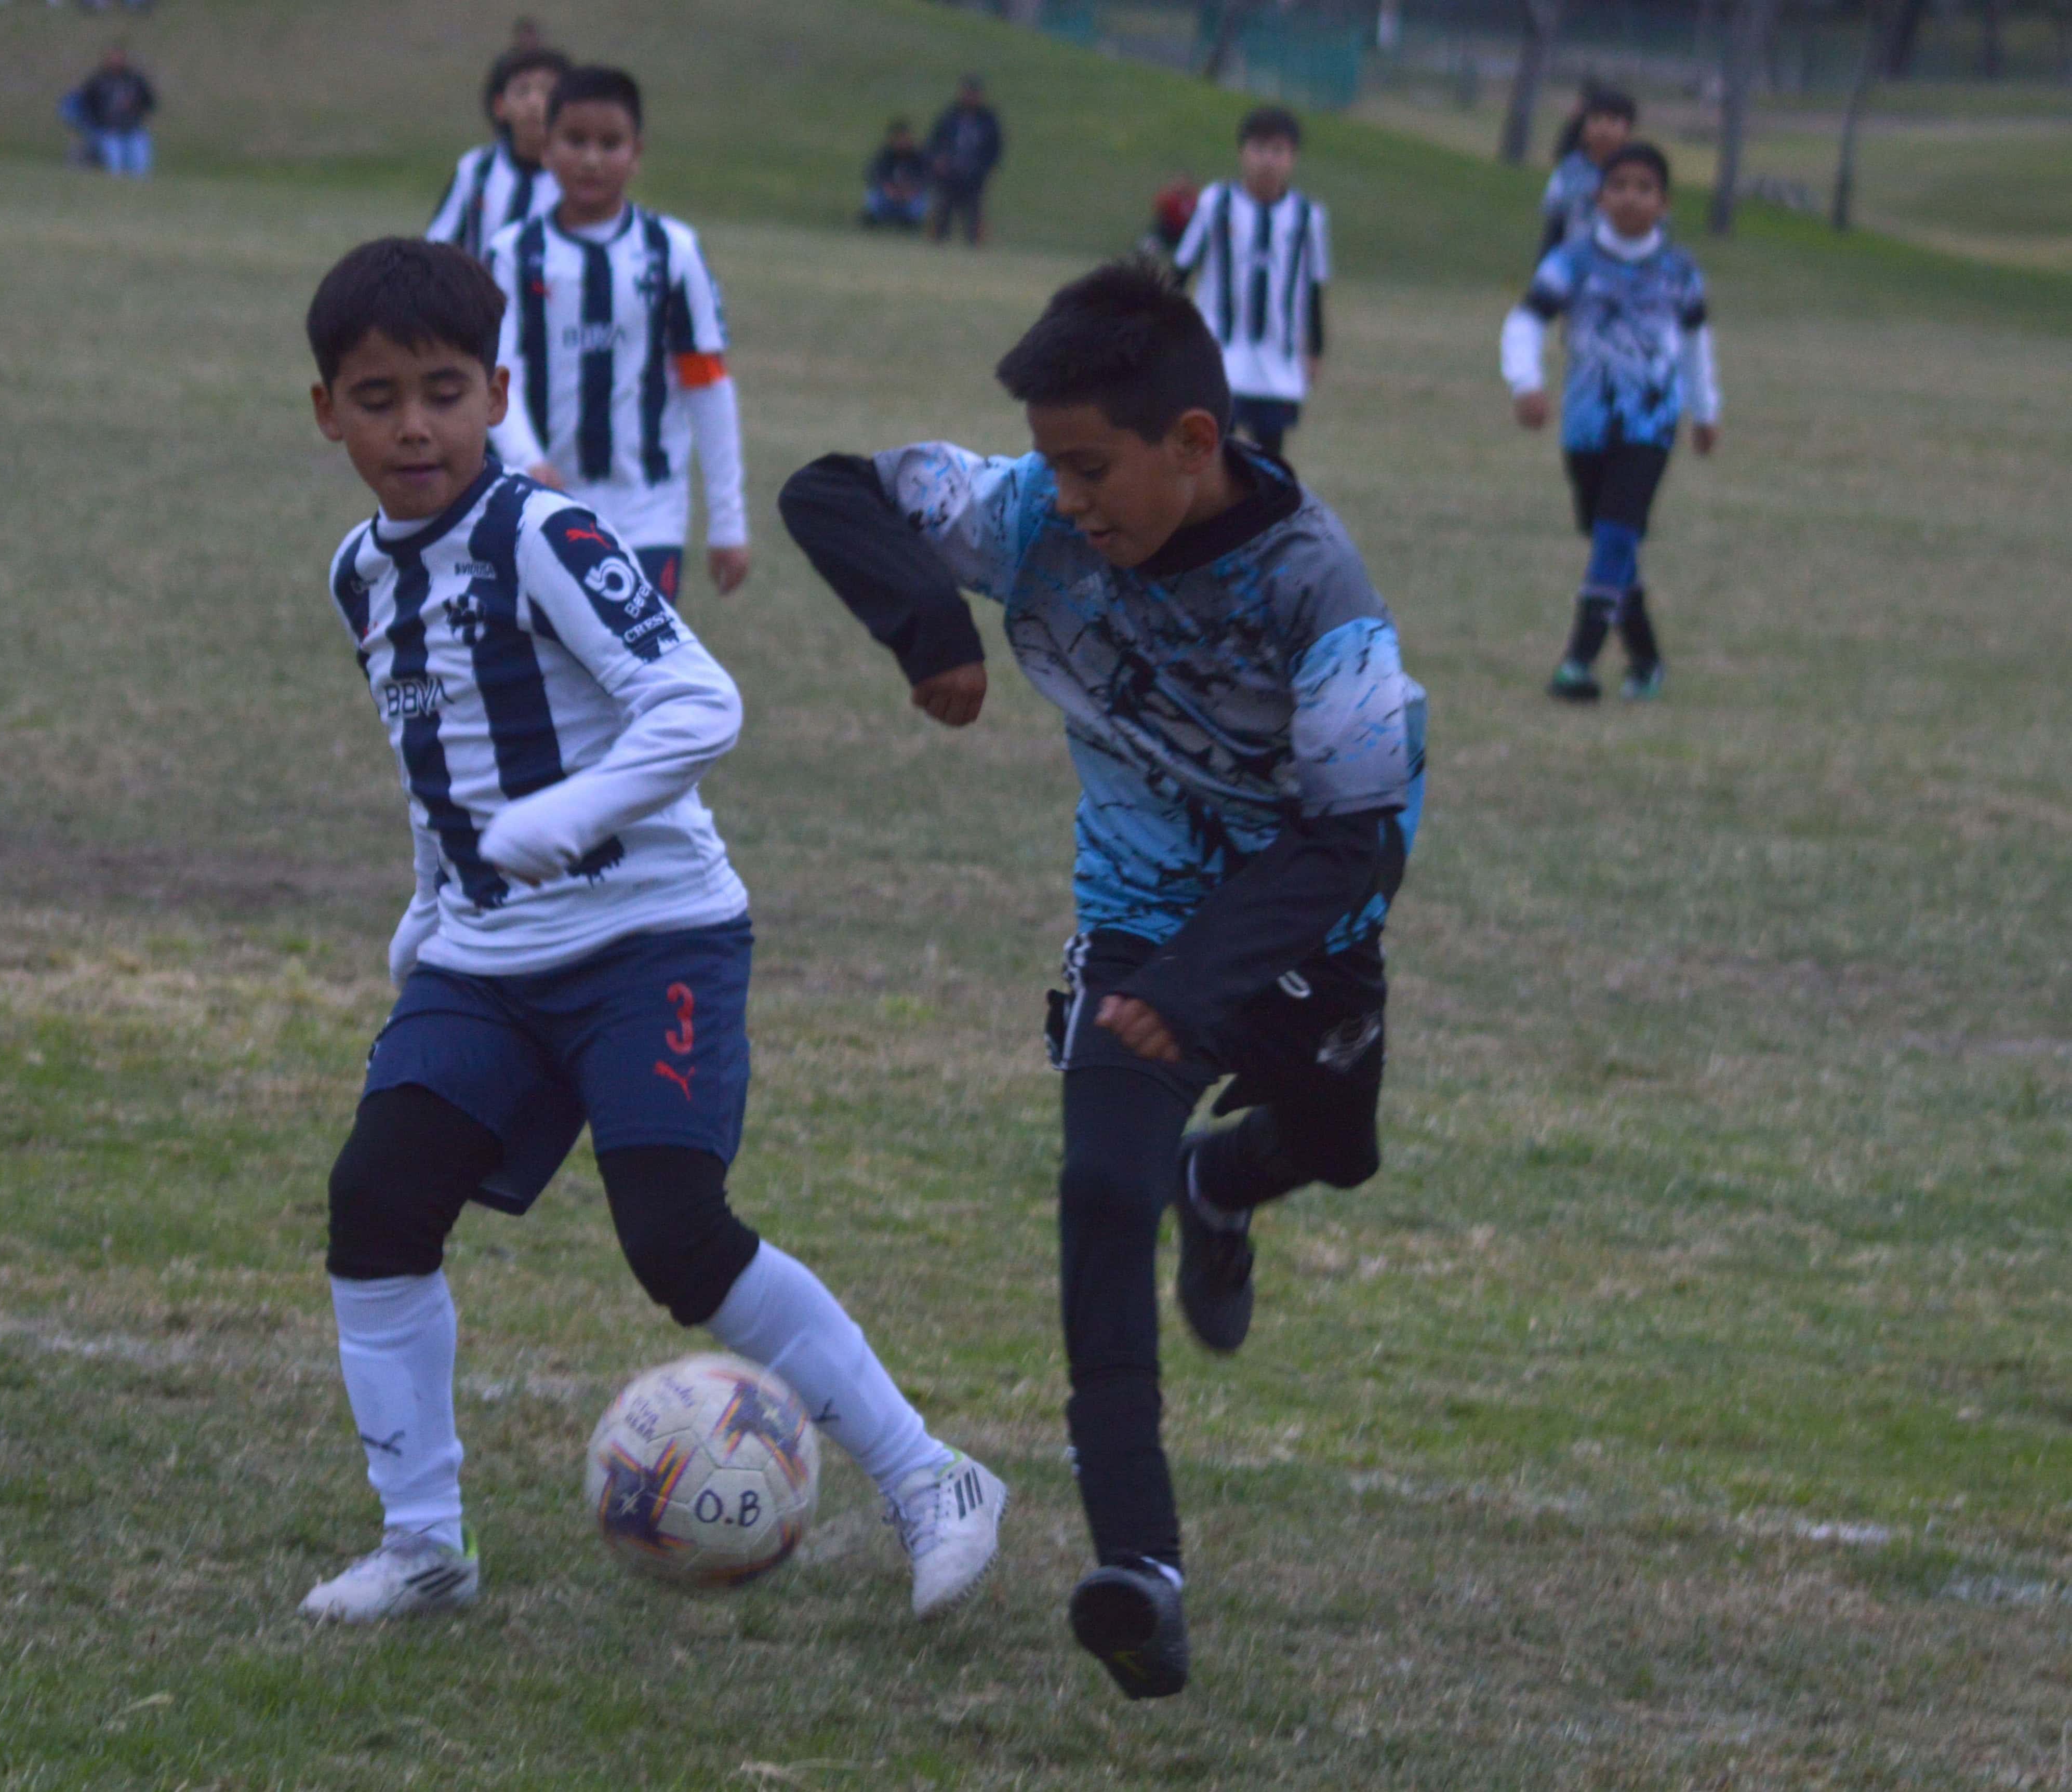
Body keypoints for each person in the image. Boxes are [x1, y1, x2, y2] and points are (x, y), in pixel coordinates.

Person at [295, 235, 1007, 1625]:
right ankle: (424, 1544)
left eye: (444, 392)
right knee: (376, 1204)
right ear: (328, 413)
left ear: (498, 395)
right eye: (377, 399)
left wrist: (569, 816)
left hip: (649, 939)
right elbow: (437, 761)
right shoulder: (359, 575)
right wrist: (429, 908)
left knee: (676, 1236)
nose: (415, 427)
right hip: (484, 961)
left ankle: (934, 1478)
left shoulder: (541, 533)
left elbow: (698, 703)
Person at [779, 262, 1424, 1701]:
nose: (1063, 500)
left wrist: (1199, 985)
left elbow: (1356, 839)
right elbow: (831, 490)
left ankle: (1224, 1183)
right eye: (1050, 467)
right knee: (1098, 1186)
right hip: (1134, 919)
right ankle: (1141, 1567)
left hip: (1295, 922)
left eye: (1090, 469)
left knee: (1338, 1147)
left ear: (1191, 443)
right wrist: (930, 630)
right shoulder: (1033, 515)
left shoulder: (1315, 587)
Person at [486, 67, 749, 608]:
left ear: (637, 153)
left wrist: (728, 521)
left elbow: (707, 384)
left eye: (610, 144)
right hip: (537, 501)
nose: (591, 159)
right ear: (546, 147)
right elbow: (496, 371)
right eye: (575, 140)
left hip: (646, 509)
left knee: (637, 654)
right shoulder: (513, 254)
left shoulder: (672, 251)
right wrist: (527, 459)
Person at [1503, 141, 1719, 702]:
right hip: (1586, 424)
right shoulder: (1571, 262)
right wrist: (1526, 382)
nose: (1630, 198)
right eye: (1619, 186)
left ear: (1664, 203)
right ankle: (1646, 661)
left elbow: (1695, 344)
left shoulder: (1679, 270)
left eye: (1644, 189)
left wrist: (1705, 410)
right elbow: (1525, 322)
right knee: (1609, 542)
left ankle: (1578, 661)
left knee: (1617, 533)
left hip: (1651, 423)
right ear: (1599, 197)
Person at [1172, 107, 1329, 459]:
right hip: (1220, 356)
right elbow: (1180, 272)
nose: (1267, 161)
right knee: (1212, 453)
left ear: (1293, 158)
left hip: (1278, 364)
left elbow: (1314, 288)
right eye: (1259, 149)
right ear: (1242, 152)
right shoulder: (1216, 203)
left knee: (1269, 459)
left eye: (1278, 151)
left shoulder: (1307, 217)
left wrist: (1315, 349)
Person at [426, 46, 568, 260]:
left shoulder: (574, 175)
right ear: (500, 106)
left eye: (547, 92)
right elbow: (440, 242)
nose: (534, 103)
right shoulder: (477, 169)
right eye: (522, 91)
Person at [1539, 87, 1637, 258]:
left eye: (1613, 121)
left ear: (1628, 128)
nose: (1603, 129)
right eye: (1596, 120)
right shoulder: (1569, 170)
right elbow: (1556, 222)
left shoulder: (1637, 173)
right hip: (1575, 259)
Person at [925, 75, 1003, 246]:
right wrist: (938, 161)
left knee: (974, 216)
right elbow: (934, 142)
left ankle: (975, 246)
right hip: (948, 174)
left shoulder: (988, 120)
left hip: (974, 176)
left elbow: (995, 148)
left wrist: (983, 168)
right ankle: (937, 243)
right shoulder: (950, 116)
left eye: (973, 94)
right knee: (942, 212)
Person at [75, 46, 157, 178]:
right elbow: (85, 104)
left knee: (141, 159)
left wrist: (136, 107)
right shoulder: (98, 82)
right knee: (115, 162)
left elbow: (149, 101)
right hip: (108, 130)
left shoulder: (134, 81)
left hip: (132, 128)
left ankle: (140, 184)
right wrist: (96, 122)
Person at [860, 118, 930, 230]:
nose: (902, 142)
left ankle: (911, 222)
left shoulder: (918, 157)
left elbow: (926, 177)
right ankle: (875, 218)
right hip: (889, 196)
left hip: (910, 196)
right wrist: (888, 188)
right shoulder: (885, 156)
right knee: (874, 194)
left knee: (921, 199)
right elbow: (873, 174)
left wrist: (911, 189)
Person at [1141, 174, 1200, 262]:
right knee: (1148, 248)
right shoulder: (1168, 199)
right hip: (1167, 232)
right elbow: (1160, 217)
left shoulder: (1194, 201)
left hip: (1184, 234)